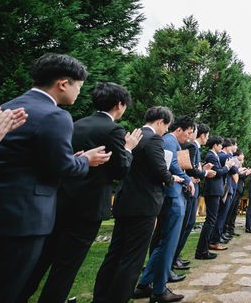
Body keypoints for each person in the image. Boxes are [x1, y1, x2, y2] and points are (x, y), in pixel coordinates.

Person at [0, 53, 111, 303]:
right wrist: (85, 160)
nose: (79, 92)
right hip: (26, 217)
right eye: (79, 86)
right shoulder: (55, 115)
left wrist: (69, 159)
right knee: (9, 288)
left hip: (1, 209)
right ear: (63, 83)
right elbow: (63, 168)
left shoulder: (7, 106)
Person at [20, 82, 142, 303]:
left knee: (41, 261)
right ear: (119, 104)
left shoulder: (76, 123)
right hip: (89, 207)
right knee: (66, 267)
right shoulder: (113, 130)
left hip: (61, 201)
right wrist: (128, 149)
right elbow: (120, 170)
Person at [92, 106, 179, 303]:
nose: (166, 130)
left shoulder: (133, 136)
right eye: (166, 126)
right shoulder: (154, 139)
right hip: (144, 205)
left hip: (125, 201)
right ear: (160, 122)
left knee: (114, 254)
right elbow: (160, 170)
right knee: (133, 258)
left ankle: (101, 297)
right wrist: (171, 178)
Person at [134, 116, 195, 302]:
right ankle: (159, 290)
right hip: (172, 196)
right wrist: (187, 179)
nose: (189, 137)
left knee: (164, 243)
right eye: (188, 132)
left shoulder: (170, 141)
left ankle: (145, 284)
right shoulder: (169, 140)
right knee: (168, 244)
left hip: (173, 195)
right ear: (179, 129)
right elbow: (169, 166)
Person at [173, 123, 215, 270]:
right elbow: (189, 168)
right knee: (186, 224)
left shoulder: (195, 147)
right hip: (189, 188)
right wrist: (204, 173)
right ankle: (174, 257)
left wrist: (202, 169)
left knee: (189, 223)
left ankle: (176, 256)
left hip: (194, 186)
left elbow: (194, 167)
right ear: (201, 135)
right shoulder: (192, 146)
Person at [195, 136, 233, 258]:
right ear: (215, 145)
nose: (221, 147)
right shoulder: (211, 156)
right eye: (220, 144)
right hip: (212, 191)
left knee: (212, 219)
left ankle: (204, 248)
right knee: (210, 220)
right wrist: (227, 166)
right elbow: (218, 172)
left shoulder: (214, 155)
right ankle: (202, 250)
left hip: (216, 190)